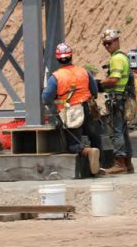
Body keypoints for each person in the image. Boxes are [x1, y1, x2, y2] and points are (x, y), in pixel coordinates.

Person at [42, 42, 102, 175]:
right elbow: (94, 90)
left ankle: (88, 152)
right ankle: (98, 164)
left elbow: (46, 98)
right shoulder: (84, 72)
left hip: (72, 112)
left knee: (73, 144)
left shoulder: (56, 77)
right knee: (95, 137)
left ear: (58, 59)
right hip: (89, 108)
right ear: (71, 56)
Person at [100, 29, 134, 174]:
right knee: (123, 132)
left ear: (117, 41)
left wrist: (100, 83)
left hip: (117, 100)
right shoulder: (122, 57)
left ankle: (119, 163)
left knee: (116, 132)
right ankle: (127, 163)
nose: (107, 46)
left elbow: (114, 79)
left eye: (109, 43)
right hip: (123, 99)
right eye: (104, 44)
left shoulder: (117, 59)